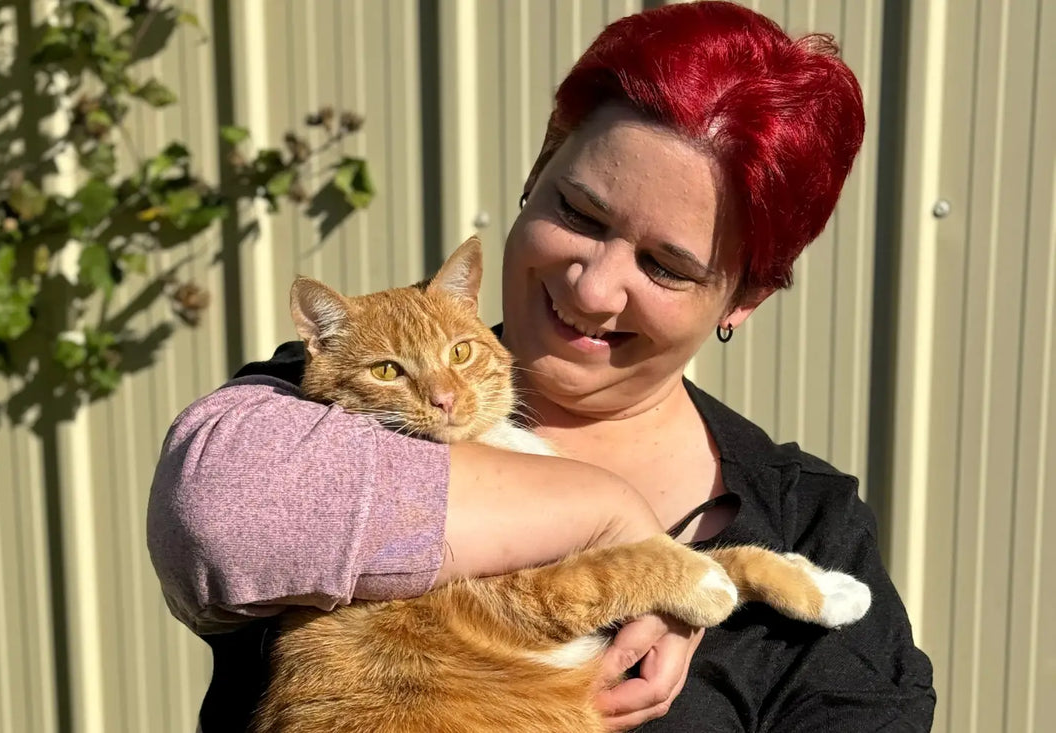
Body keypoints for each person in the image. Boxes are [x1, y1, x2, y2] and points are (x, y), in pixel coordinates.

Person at [147, 2, 935, 731]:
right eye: (579, 213)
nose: (592, 288)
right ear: (537, 169)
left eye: (665, 266)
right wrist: (609, 512)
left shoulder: (811, 524)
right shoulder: (325, 405)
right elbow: (213, 511)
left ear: (744, 299)